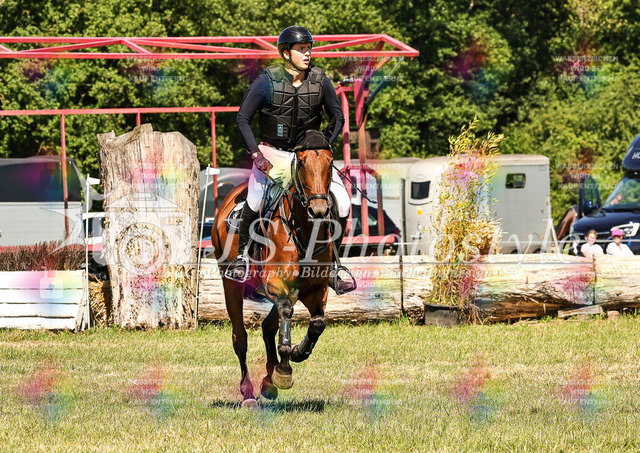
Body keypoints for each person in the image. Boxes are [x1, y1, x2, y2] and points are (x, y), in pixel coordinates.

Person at [226, 25, 356, 294]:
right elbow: (242, 119)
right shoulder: (266, 82)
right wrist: (256, 154)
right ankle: (242, 258)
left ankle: (334, 266)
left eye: (309, 48)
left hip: (309, 156)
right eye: (301, 49)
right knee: (255, 199)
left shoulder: (320, 80)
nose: (307, 53)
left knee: (342, 202)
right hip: (273, 154)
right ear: (286, 53)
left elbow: (338, 117)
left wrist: (323, 145)